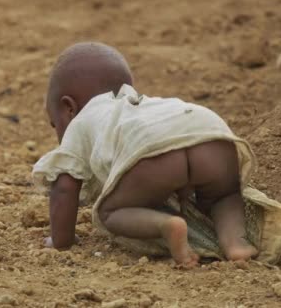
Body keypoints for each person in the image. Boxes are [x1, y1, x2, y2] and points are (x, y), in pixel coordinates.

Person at [32, 42, 258, 267]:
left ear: (68, 108)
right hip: (205, 127)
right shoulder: (141, 106)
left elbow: (64, 189)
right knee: (224, 196)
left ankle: (166, 225)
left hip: (150, 145)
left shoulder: (80, 122)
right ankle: (236, 243)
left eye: (55, 124)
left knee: (110, 212)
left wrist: (61, 240)